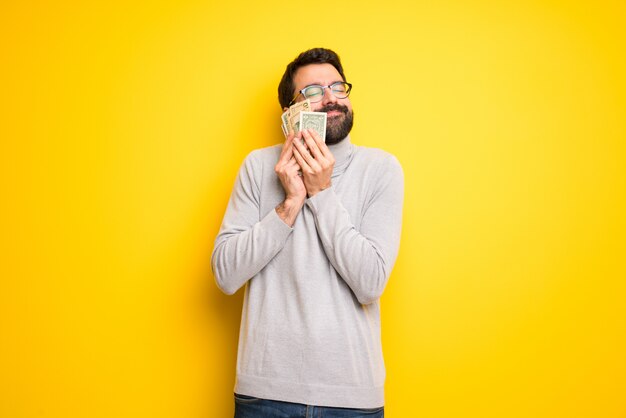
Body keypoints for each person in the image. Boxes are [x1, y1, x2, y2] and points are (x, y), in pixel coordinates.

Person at [211, 48, 404, 417]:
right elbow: (225, 274)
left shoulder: (382, 169)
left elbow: (369, 282)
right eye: (313, 92)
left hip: (352, 398)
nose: (331, 97)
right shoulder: (257, 167)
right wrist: (289, 204)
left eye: (337, 87)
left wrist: (321, 192)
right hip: (264, 394)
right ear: (290, 113)